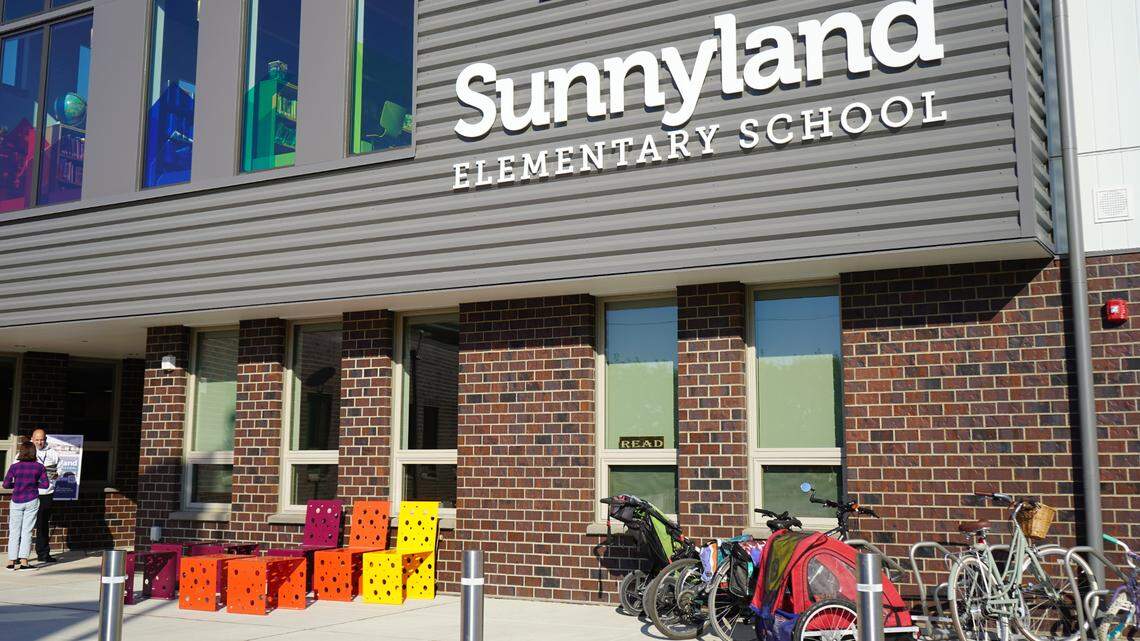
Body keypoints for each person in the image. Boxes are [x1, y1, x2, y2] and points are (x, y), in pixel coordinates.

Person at [3, 441, 48, 570]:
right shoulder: (39, 467)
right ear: (34, 452)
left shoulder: (14, 467)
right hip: (32, 499)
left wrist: (15, 485)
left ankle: (11, 562)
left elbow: (5, 485)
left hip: (16, 500)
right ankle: (24, 562)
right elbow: (45, 485)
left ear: (21, 452)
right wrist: (34, 485)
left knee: (14, 531)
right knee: (27, 531)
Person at [30, 429, 60, 563]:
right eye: (37, 439)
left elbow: (61, 467)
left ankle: (43, 553)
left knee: (43, 524)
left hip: (47, 492)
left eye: (41, 439)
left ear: (45, 439)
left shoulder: (52, 452)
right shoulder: (27, 451)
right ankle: (20, 555)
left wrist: (57, 474)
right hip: (30, 492)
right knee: (27, 524)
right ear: (32, 439)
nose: (39, 442)